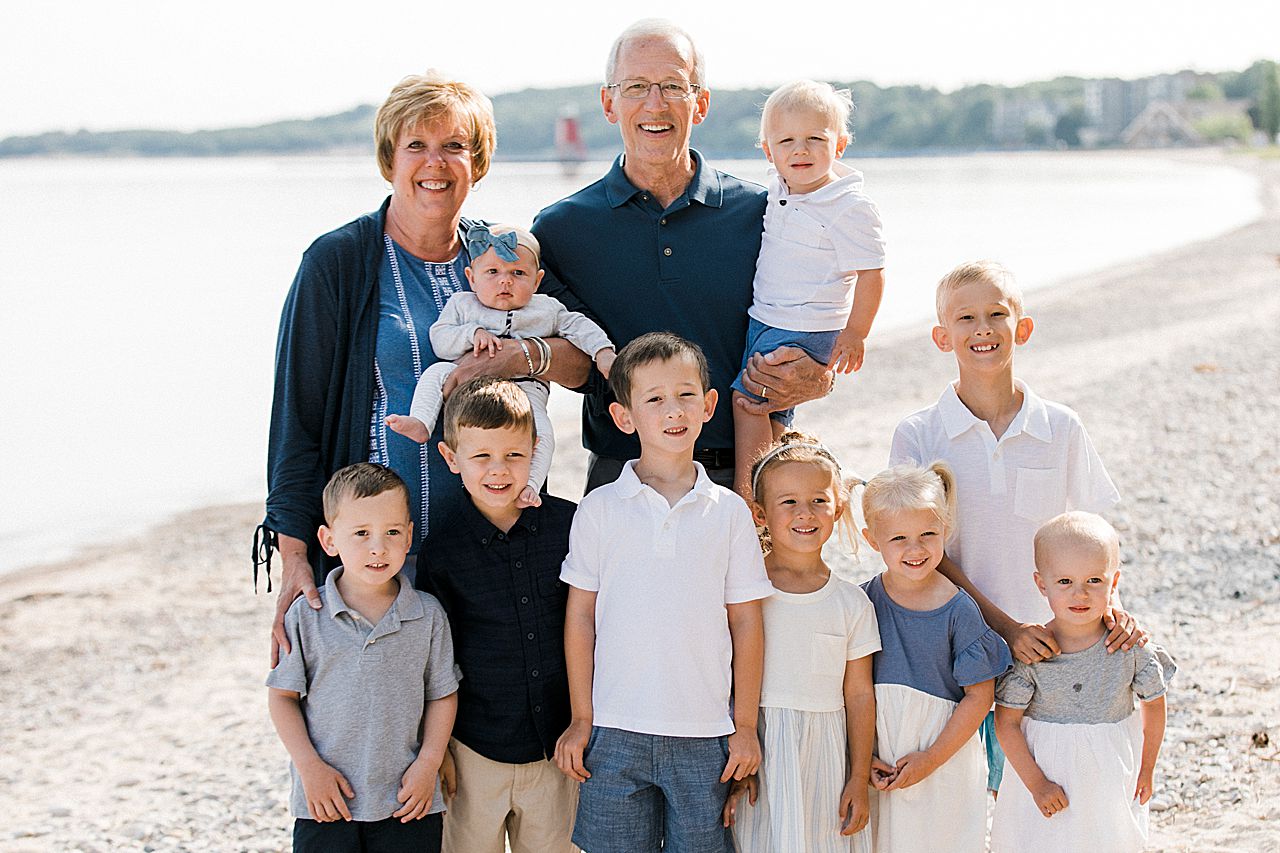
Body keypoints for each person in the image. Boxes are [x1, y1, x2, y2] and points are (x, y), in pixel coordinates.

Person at [260, 70, 590, 663]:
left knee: (478, 724)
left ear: (478, 162)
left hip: (490, 545)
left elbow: (583, 362)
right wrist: (291, 559)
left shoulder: (505, 255)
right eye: (416, 145)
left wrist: (521, 355)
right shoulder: (338, 262)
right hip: (377, 556)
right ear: (390, 159)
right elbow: (297, 421)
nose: (435, 163)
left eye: (454, 146)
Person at [532, 19, 832, 492]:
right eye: (636, 87)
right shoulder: (559, 230)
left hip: (747, 471)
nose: (655, 104)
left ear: (701, 103)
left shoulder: (765, 213)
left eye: (673, 86)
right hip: (621, 477)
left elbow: (819, 309)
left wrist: (820, 375)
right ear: (609, 103)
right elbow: (561, 351)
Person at [888, 259, 1141, 792]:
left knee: (1035, 788)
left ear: (1021, 328)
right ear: (940, 336)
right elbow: (916, 553)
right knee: (953, 790)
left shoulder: (1061, 427)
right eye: (965, 318)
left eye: (996, 314)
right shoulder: (918, 435)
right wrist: (1004, 627)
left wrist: (1112, 608)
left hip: (1050, 643)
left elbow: (1093, 535)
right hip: (951, 640)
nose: (982, 329)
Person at [553, 332, 775, 851]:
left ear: (708, 404)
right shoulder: (600, 509)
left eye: (685, 395)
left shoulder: (731, 513)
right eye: (654, 399)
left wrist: (743, 726)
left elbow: (746, 622)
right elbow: (580, 617)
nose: (672, 410)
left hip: (705, 732)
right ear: (624, 416)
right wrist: (581, 717)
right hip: (612, 728)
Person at [415, 378, 579, 852]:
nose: (498, 471)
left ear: (536, 449)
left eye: (513, 455)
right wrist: (439, 749)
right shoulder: (442, 551)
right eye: (481, 457)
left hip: (555, 748)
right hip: (473, 750)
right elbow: (434, 660)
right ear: (451, 459)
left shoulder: (568, 527)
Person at [266, 463, 459, 853]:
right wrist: (309, 768)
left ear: (408, 536)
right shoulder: (306, 614)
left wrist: (429, 763)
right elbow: (282, 698)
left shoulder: (428, 614)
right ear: (328, 539)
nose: (377, 547)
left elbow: (442, 695)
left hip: (407, 801)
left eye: (391, 532)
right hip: (325, 801)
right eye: (360, 533)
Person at [723, 433, 879, 852]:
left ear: (839, 507)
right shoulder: (744, 590)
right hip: (760, 750)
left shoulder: (852, 603)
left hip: (824, 758)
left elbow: (860, 696)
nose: (805, 513)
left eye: (819, 501)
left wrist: (858, 777)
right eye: (788, 502)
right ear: (760, 513)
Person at [730, 80, 886, 499]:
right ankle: (778, 493)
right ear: (768, 151)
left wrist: (856, 333)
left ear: (840, 145)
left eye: (815, 139)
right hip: (769, 317)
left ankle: (750, 497)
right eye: (787, 141)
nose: (800, 150)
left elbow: (872, 273)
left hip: (803, 324)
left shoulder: (848, 205)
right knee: (775, 412)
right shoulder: (781, 188)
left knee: (748, 404)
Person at [387, 224, 615, 509]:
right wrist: (471, 334)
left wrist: (603, 352)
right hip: (467, 381)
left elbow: (581, 327)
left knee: (541, 431)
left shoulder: (547, 308)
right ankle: (422, 421)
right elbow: (440, 340)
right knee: (434, 373)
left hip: (525, 388)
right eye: (492, 272)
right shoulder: (463, 306)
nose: (505, 281)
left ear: (537, 280)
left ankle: (531, 485)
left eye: (518, 273)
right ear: (471, 278)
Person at [991, 512, 1175, 853]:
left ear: (1114, 582)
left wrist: (1147, 768)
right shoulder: (1034, 654)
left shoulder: (1128, 648)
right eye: (1064, 582)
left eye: (1094, 580)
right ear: (1041, 584)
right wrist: (1037, 784)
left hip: (1107, 775)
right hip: (1045, 778)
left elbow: (1154, 703)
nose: (1080, 594)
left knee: (1108, 839)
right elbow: (1006, 724)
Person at [859, 462, 1013, 853]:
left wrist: (931, 759)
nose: (916, 549)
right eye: (899, 539)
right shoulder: (862, 603)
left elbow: (980, 697)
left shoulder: (958, 609)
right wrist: (860, 757)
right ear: (873, 540)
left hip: (945, 757)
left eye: (928, 534)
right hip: (878, 759)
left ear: (946, 531)